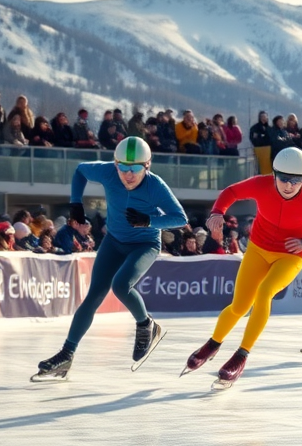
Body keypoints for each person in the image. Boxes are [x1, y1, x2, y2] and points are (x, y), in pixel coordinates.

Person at [182, 147, 302, 390]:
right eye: (283, 178)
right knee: (240, 306)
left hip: (291, 255)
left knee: (265, 292)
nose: (288, 185)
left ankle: (241, 355)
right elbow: (231, 191)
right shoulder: (261, 184)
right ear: (274, 174)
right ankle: (213, 344)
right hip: (258, 249)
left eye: (295, 180)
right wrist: (217, 212)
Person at [32, 137, 187, 382]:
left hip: (144, 244)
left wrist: (149, 221)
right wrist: (75, 203)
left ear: (147, 166)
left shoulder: (155, 186)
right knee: (93, 297)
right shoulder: (108, 172)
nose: (128, 174)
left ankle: (146, 324)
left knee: (121, 285)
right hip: (114, 242)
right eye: (122, 167)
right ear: (115, 164)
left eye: (135, 168)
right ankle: (66, 354)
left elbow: (180, 217)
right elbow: (80, 171)